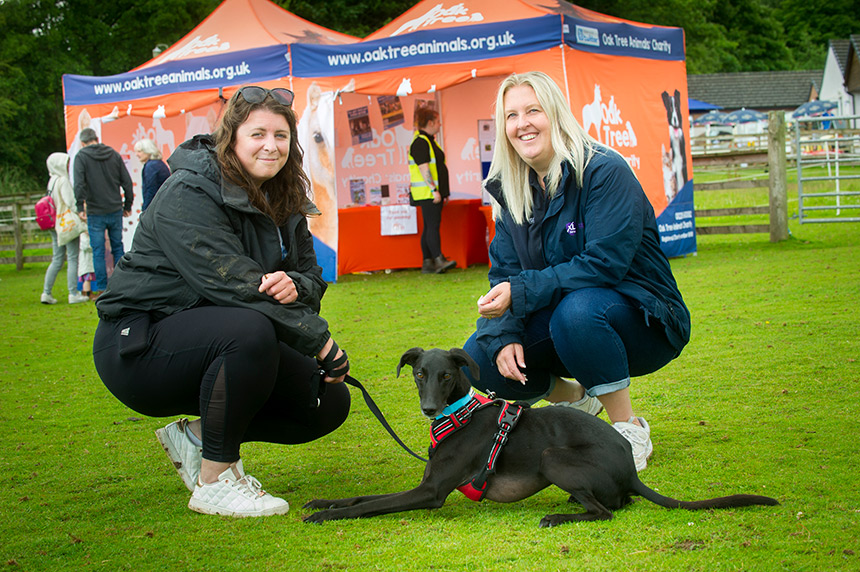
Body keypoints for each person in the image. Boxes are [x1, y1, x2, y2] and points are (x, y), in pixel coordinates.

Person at [92, 85, 351, 518]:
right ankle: (215, 480)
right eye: (258, 134)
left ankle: (197, 437)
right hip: (139, 345)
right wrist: (320, 343)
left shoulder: (284, 196)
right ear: (231, 137)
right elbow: (232, 284)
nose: (271, 145)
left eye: (281, 135)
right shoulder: (188, 191)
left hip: (224, 334)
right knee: (249, 329)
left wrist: (295, 285)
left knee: (326, 402)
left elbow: (312, 278)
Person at [462, 72, 691, 472]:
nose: (523, 123)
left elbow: (605, 263)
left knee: (578, 311)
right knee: (480, 355)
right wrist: (505, 333)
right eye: (511, 116)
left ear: (556, 113)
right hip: (567, 323)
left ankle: (628, 430)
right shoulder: (509, 187)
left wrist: (520, 291)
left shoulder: (604, 170)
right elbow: (505, 272)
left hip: (646, 319)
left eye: (533, 110)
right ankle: (573, 398)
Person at [73, 127, 133, 298]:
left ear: (83, 143)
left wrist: (79, 206)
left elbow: (79, 184)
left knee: (98, 251)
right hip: (114, 208)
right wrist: (127, 205)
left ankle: (102, 288)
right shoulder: (113, 154)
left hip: (95, 210)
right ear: (97, 138)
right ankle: (122, 284)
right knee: (118, 247)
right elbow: (127, 182)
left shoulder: (82, 157)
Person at [408, 107, 457, 274]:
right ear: (429, 123)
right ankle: (438, 258)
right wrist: (434, 190)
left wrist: (443, 191)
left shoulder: (428, 141)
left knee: (429, 226)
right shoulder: (421, 142)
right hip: (428, 193)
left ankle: (428, 262)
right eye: (437, 121)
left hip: (431, 193)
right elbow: (424, 169)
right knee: (432, 226)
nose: (440, 124)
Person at [41, 152, 90, 305]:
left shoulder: (52, 181)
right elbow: (70, 201)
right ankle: (73, 292)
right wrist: (81, 215)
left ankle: (46, 292)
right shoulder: (63, 181)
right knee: (73, 257)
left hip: (55, 223)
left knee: (57, 259)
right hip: (66, 225)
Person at [134, 138, 170, 211]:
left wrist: (145, 210)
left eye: (139, 151)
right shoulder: (159, 164)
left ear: (148, 151)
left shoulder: (151, 166)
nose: (136, 154)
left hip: (155, 208)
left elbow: (151, 189)